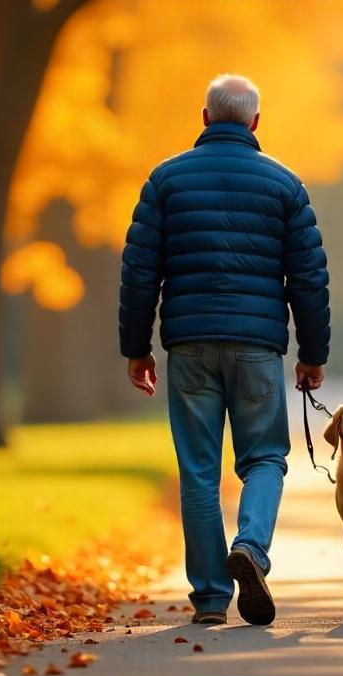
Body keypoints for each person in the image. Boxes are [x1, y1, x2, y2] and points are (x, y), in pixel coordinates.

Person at [119, 74, 330, 627]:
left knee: (198, 470)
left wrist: (136, 347)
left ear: (205, 117)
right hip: (258, 346)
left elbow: (140, 272)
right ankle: (252, 549)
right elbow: (308, 277)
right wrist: (313, 353)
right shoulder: (284, 184)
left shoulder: (165, 180)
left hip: (188, 345)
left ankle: (211, 597)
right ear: (255, 123)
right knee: (264, 457)